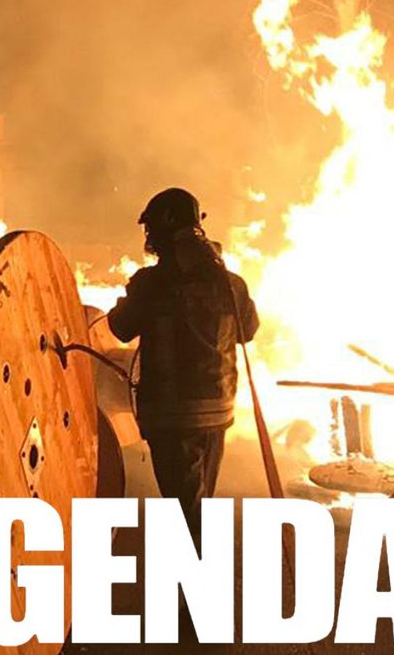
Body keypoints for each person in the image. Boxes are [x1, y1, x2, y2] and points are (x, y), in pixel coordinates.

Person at [108, 187, 258, 540]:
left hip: (172, 418)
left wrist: (126, 301)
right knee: (197, 503)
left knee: (187, 514)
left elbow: (121, 327)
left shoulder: (151, 284)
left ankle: (199, 569)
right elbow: (248, 330)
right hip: (218, 413)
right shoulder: (230, 283)